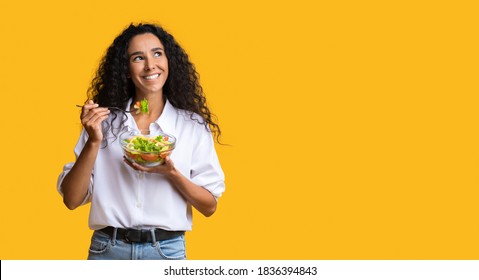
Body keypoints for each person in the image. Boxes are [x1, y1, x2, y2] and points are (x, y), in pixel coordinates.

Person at [57, 23, 225, 260]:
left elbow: (209, 207)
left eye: (157, 53)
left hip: (166, 252)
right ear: (126, 69)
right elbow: (72, 200)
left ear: (169, 61)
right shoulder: (103, 123)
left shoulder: (191, 126)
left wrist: (171, 172)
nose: (150, 65)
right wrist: (94, 141)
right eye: (138, 58)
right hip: (107, 251)